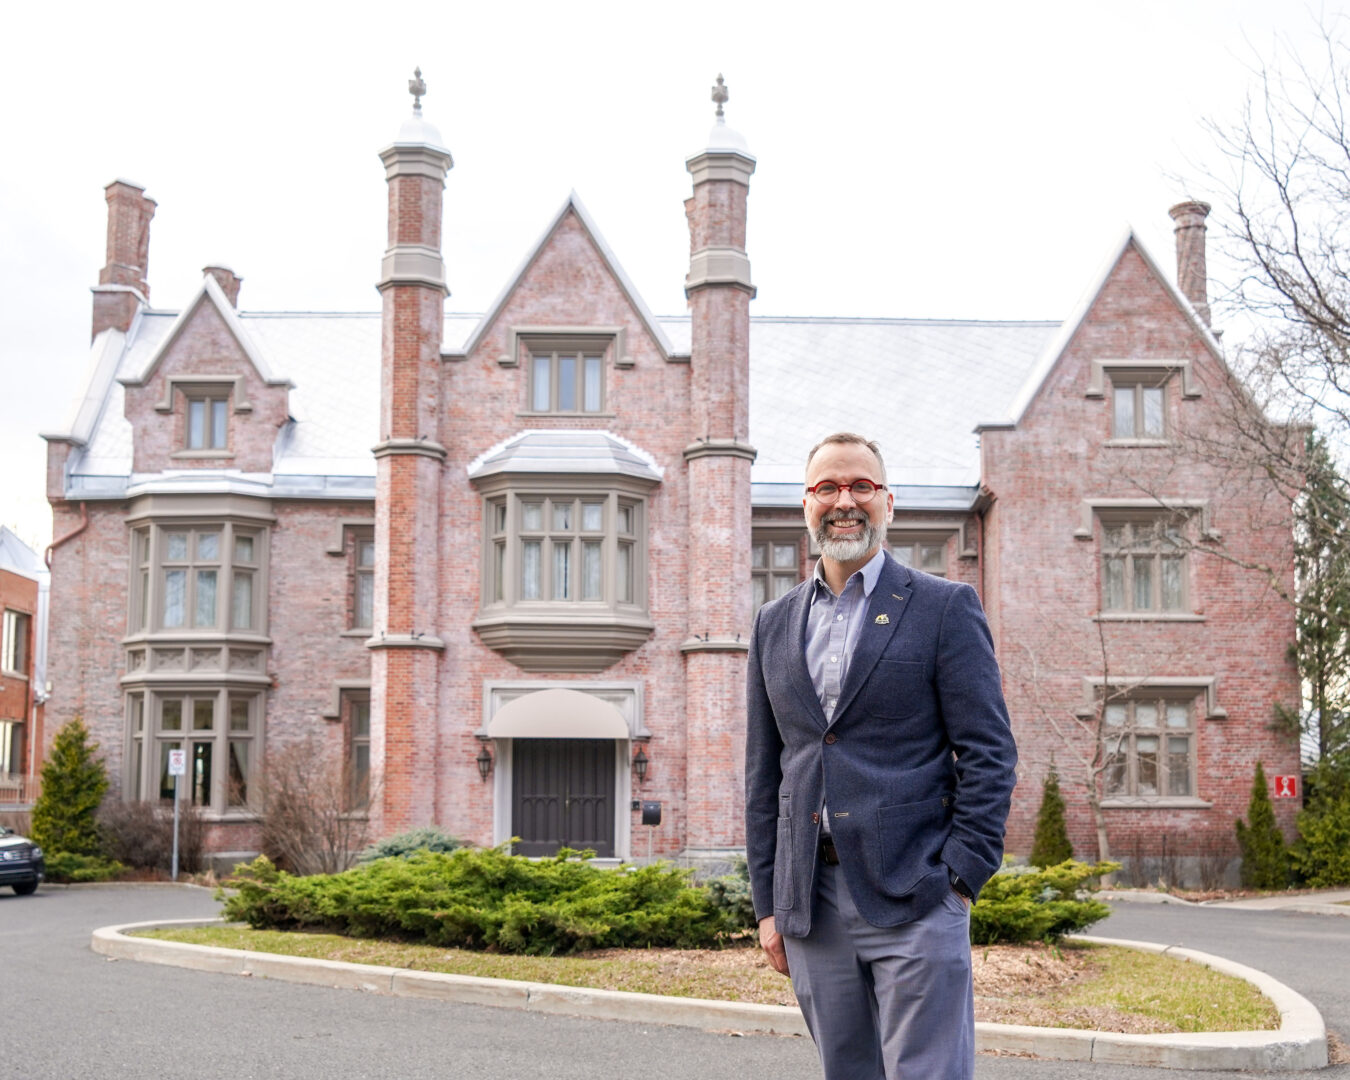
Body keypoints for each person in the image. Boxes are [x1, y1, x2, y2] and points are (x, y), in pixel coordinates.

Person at [745, 431, 1018, 1080]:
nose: (845, 500)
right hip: (810, 904)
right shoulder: (773, 623)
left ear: (888, 502)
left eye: (861, 485)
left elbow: (989, 752)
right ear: (804, 507)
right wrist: (767, 904)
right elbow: (765, 773)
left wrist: (959, 880)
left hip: (916, 895)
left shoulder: (944, 607)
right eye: (827, 487)